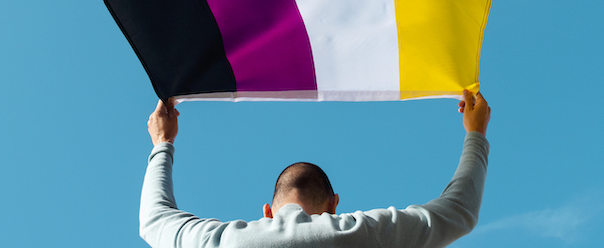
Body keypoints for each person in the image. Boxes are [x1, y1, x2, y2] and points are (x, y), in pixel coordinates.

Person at [139, 90, 491, 248]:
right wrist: (475, 134)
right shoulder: (363, 234)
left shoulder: (228, 242)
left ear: (267, 212)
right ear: (333, 205)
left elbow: (155, 220)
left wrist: (162, 143)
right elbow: (458, 212)